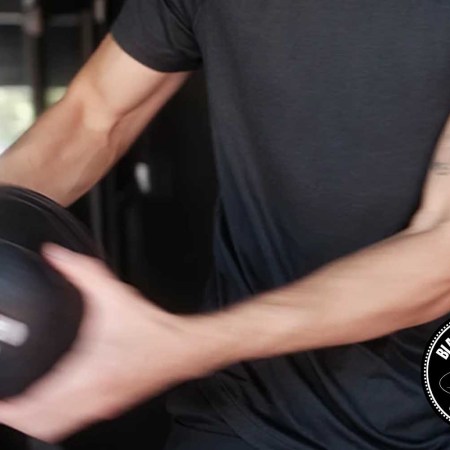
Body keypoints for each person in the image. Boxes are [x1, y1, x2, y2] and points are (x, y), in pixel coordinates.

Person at [1, 1, 450, 448]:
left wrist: (187, 345)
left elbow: (440, 252)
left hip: (420, 419)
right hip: (241, 413)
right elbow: (95, 117)